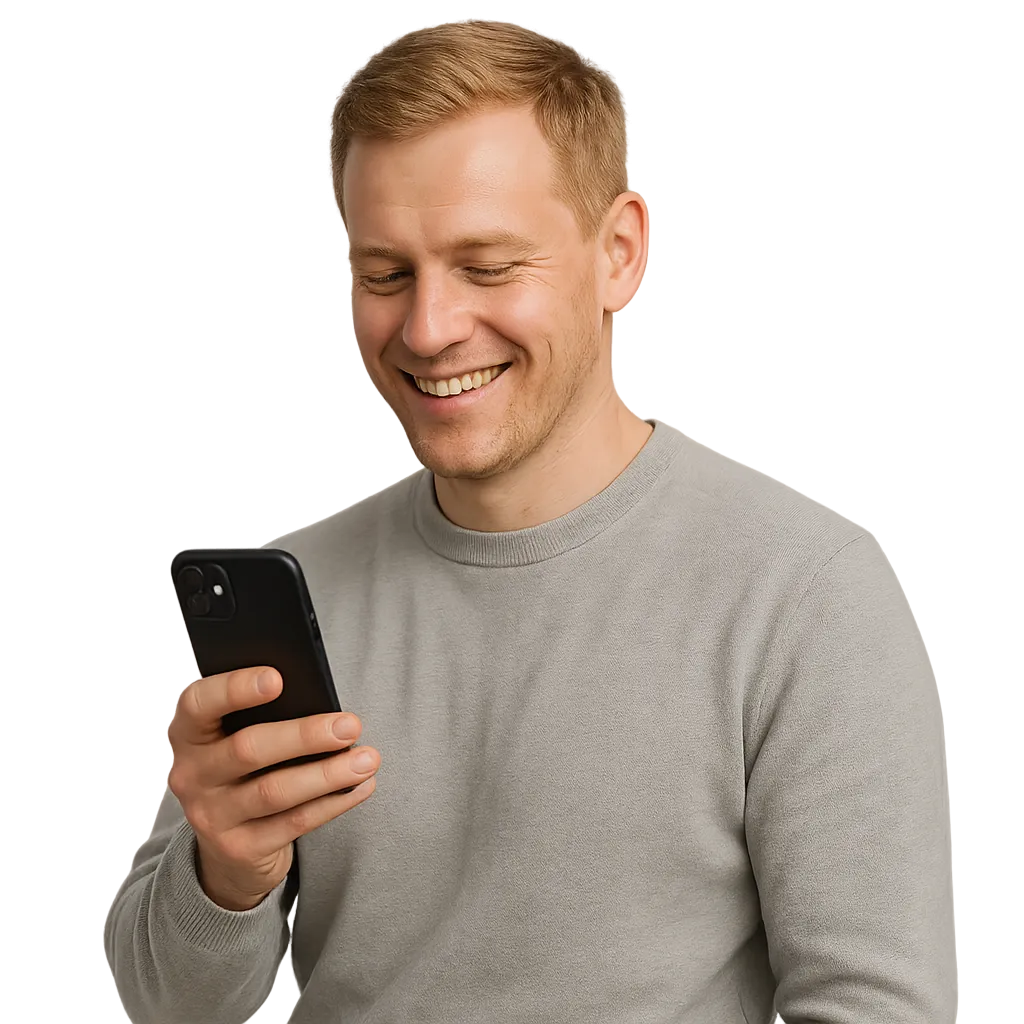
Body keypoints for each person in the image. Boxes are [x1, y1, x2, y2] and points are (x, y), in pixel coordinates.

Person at [104, 19, 958, 1023]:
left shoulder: (803, 592)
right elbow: (168, 1003)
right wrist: (226, 873)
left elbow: (874, 1006)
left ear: (619, 253)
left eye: (488, 266)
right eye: (385, 275)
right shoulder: (300, 589)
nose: (428, 329)